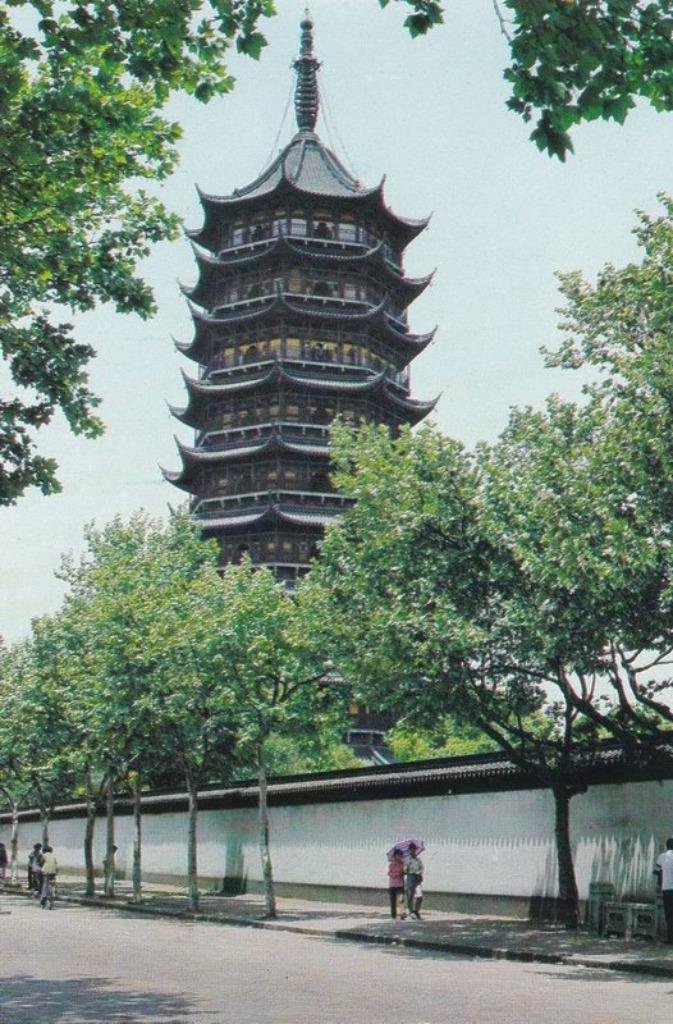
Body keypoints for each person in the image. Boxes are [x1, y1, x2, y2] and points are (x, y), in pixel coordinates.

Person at [655, 837, 673, 942]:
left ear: (666, 846)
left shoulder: (662, 856)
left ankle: (670, 938)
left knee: (669, 914)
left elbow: (658, 869)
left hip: (666, 889)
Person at [404, 842, 424, 920]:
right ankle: (411, 911)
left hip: (417, 879)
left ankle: (416, 910)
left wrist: (420, 874)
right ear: (409, 850)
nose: (412, 851)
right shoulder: (407, 860)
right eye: (410, 850)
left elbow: (421, 868)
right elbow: (405, 870)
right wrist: (406, 869)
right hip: (410, 878)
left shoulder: (418, 860)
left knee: (420, 896)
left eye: (413, 849)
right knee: (410, 896)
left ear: (415, 850)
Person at [387, 848, 406, 920]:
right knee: (393, 901)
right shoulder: (391, 865)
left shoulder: (403, 864)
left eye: (401, 855)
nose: (399, 857)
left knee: (401, 900)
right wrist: (397, 874)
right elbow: (389, 873)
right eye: (398, 855)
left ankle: (402, 914)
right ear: (394, 856)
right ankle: (393, 915)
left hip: (400, 884)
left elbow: (405, 872)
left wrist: (404, 871)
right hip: (392, 885)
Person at [40, 844, 57, 909]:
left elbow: (41, 862)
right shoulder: (54, 856)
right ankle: (54, 891)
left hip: (46, 872)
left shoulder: (44, 855)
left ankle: (44, 896)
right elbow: (56, 864)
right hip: (53, 872)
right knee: (53, 883)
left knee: (45, 884)